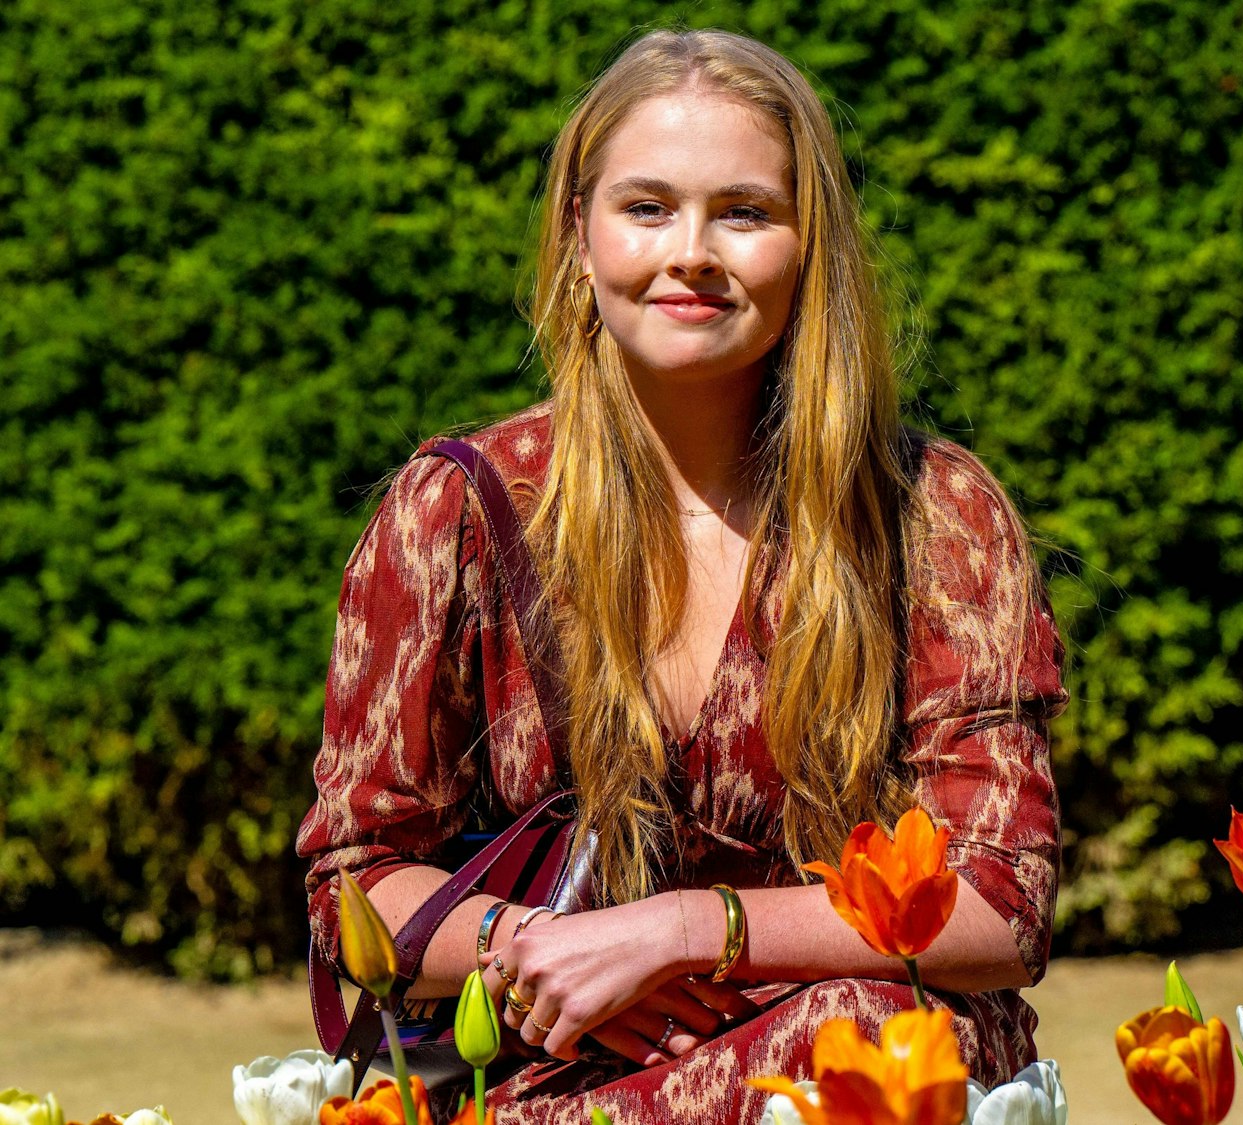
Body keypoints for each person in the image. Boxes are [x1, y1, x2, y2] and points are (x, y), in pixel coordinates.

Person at [295, 28, 1066, 1123]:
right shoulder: (456, 513)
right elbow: (354, 883)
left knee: (871, 1033)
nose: (693, 250)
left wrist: (684, 931)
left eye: (743, 212)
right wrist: (544, 951)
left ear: (810, 246)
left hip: (855, 1071)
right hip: (553, 1073)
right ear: (579, 233)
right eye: (647, 207)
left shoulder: (930, 517)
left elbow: (1000, 902)